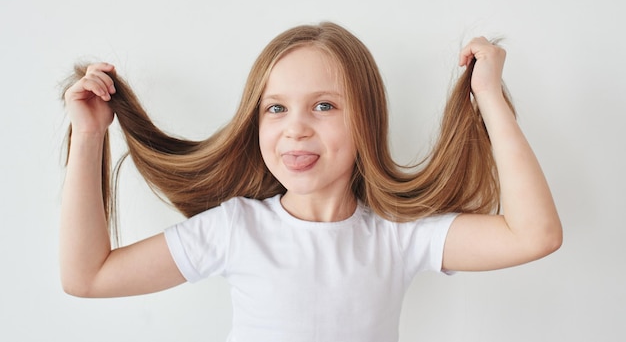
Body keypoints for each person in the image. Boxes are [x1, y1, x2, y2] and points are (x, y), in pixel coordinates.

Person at [60, 22, 562, 341]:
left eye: (324, 106)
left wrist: (489, 98)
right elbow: (88, 277)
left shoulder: (398, 234)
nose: (296, 127)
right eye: (275, 108)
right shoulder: (236, 229)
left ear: (366, 120)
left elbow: (534, 234)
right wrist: (88, 138)